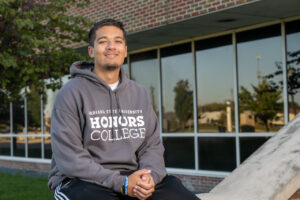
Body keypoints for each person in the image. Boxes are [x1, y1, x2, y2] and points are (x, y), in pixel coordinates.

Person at [48, 18, 199, 200]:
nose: (111, 47)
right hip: (82, 181)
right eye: (103, 41)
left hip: (132, 175)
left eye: (118, 41)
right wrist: (122, 184)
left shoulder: (139, 93)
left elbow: (151, 146)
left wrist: (148, 178)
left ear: (125, 51)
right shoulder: (71, 93)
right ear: (91, 51)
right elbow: (71, 158)